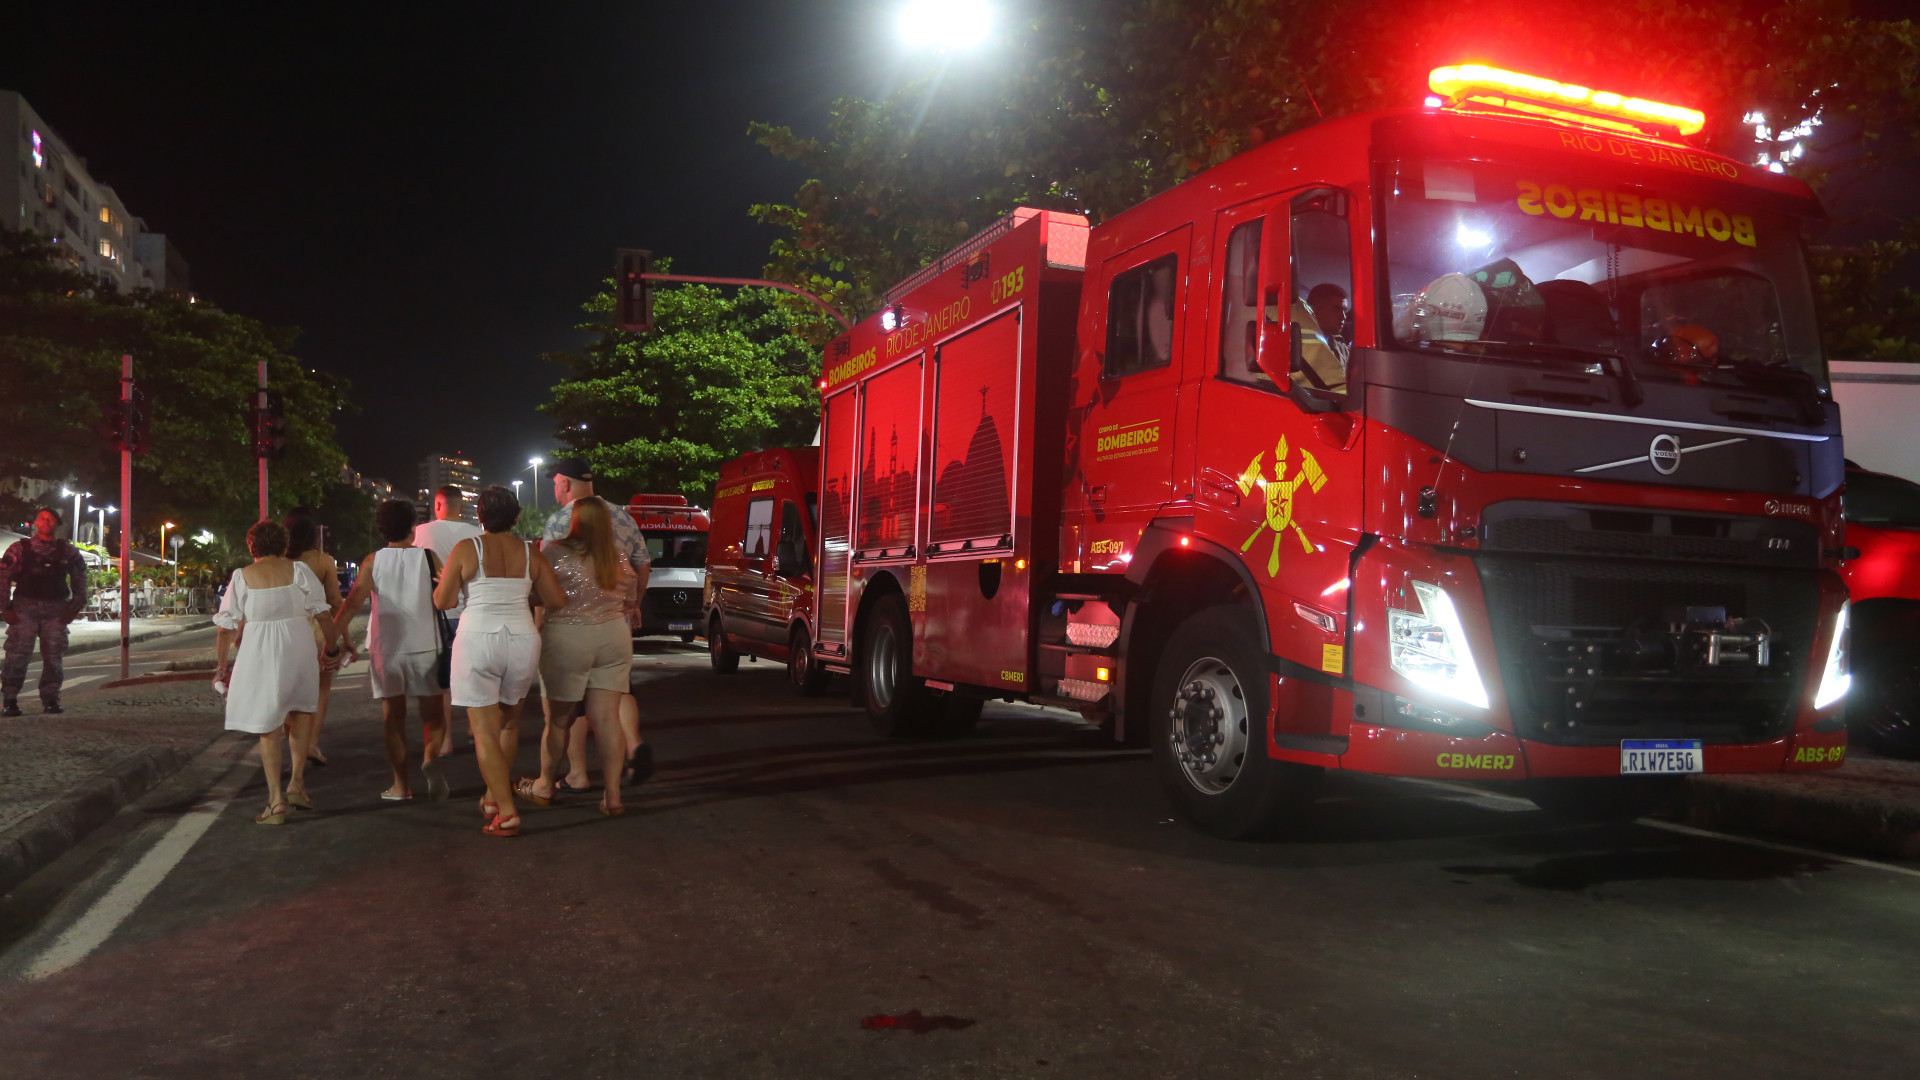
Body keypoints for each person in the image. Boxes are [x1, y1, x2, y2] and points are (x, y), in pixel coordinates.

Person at [435, 485, 566, 837]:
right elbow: (555, 599)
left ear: (479, 516)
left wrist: (443, 584)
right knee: (508, 725)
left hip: (478, 639)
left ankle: (506, 812)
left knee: (484, 732)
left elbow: (444, 601)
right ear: (517, 516)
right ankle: (493, 797)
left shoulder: (467, 548)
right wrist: (519, 591)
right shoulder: (530, 553)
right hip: (522, 639)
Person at [213, 520, 341, 825]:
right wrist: (332, 649)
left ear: (251, 546)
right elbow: (322, 613)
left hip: (259, 651)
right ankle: (297, 784)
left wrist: (221, 668)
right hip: (298, 646)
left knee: (267, 726)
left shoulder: (242, 577)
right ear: (284, 545)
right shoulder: (299, 571)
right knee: (299, 715)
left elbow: (226, 626)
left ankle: (275, 801)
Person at [517, 496, 638, 814]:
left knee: (558, 720)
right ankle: (612, 797)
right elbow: (630, 598)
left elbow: (536, 595)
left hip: (568, 637)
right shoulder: (618, 557)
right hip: (613, 636)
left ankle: (544, 784)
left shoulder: (554, 553)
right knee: (608, 719)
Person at [542, 458, 652, 785]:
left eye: (555, 483)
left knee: (572, 704)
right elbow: (642, 563)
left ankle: (577, 774)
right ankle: (633, 746)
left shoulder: (561, 521)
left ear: (565, 484)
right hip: (613, 624)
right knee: (617, 693)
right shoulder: (621, 514)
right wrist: (634, 603)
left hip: (571, 627)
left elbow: (547, 579)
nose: (554, 488)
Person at [338, 499, 449, 802]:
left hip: (387, 649)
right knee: (434, 717)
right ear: (413, 528)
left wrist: (333, 635)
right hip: (427, 646)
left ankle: (401, 785)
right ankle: (430, 757)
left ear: (383, 529)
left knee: (393, 719)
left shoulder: (373, 561)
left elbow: (353, 601)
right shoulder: (429, 558)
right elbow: (445, 596)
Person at [414, 485, 482, 759]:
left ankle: (444, 741)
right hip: (470, 612)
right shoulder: (476, 533)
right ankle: (476, 730)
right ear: (461, 507)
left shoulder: (423, 532)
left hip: (438, 614)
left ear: (439, 504)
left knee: (442, 680)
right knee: (473, 676)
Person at [1, 508, 88, 716]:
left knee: (53, 657)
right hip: (24, 609)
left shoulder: (68, 552)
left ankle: (51, 699)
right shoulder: (19, 549)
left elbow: (80, 580)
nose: (46, 521)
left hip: (56, 610)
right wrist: (5, 607)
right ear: (36, 523)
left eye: (50, 519)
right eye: (42, 518)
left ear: (57, 524)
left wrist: (74, 608)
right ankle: (10, 699)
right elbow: (3, 577)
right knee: (17, 656)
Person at [284, 507, 344, 766]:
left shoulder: (276, 562)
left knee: (287, 692)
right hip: (317, 633)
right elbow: (334, 601)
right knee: (321, 690)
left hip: (286, 632)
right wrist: (343, 638)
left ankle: (294, 745)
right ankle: (311, 743)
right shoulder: (323, 561)